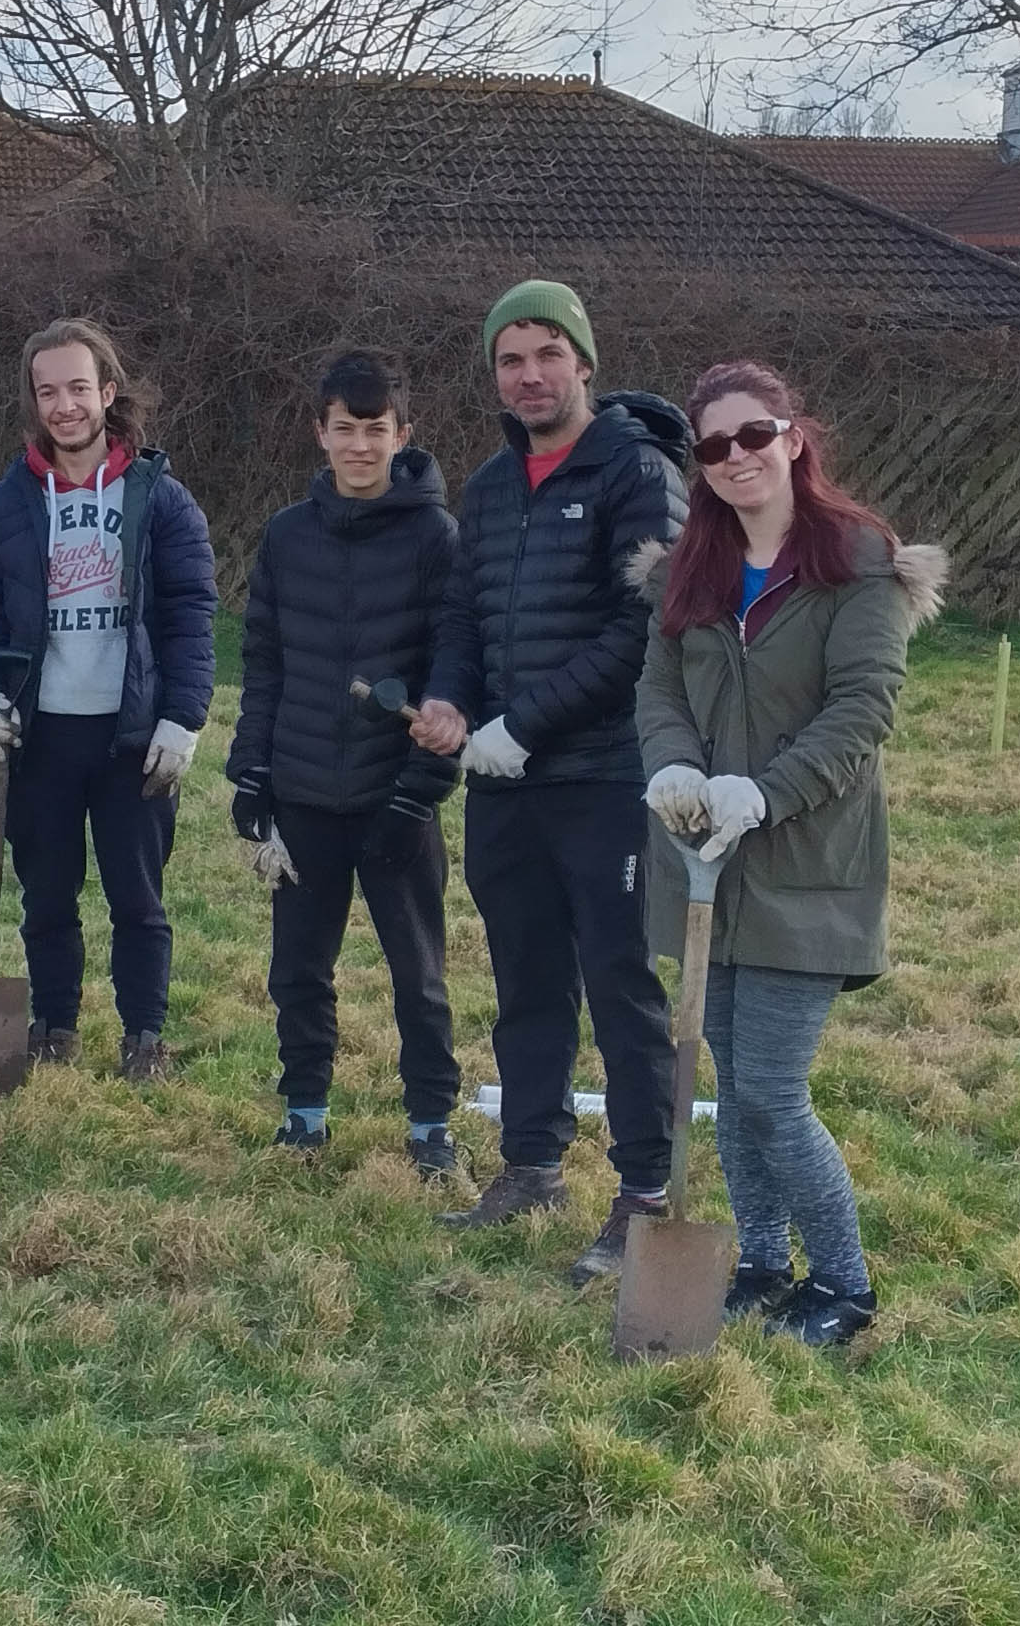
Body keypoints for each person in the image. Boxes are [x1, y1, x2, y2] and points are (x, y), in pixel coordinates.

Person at [634, 360, 944, 1348]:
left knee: (770, 1092)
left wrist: (763, 792)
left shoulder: (857, 562)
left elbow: (862, 710)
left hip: (805, 867)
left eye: (752, 436)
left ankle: (843, 1287)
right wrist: (674, 768)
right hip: (701, 865)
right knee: (732, 1084)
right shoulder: (688, 564)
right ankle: (763, 1262)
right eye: (712, 446)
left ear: (792, 438)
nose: (734, 459)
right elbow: (658, 690)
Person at [411, 279, 688, 1285]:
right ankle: (529, 1164)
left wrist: (522, 724)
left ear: (583, 361)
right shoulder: (486, 490)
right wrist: (449, 703)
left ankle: (645, 1190)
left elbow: (640, 630)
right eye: (509, 359)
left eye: (545, 354)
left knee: (620, 985)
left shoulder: (636, 472)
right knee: (525, 978)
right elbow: (462, 623)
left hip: (605, 776)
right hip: (503, 785)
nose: (528, 376)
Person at [0, 318, 218, 1080]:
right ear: (34, 402)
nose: (64, 404)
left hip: (131, 735)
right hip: (41, 734)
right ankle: (51, 1026)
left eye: (79, 387)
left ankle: (144, 1037)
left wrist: (184, 716)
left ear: (108, 393)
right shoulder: (2, 507)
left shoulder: (161, 501)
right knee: (46, 895)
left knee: (137, 897)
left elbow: (191, 612)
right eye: (49, 391)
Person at [227, 349, 464, 1173]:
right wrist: (251, 773)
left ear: (404, 435)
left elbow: (453, 676)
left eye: (375, 430)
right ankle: (304, 1112)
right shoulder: (287, 537)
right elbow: (264, 662)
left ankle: (432, 1124)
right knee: (298, 970)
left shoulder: (438, 537)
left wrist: (420, 794)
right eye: (344, 429)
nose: (359, 446)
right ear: (319, 433)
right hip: (302, 795)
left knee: (419, 976)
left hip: (394, 798)